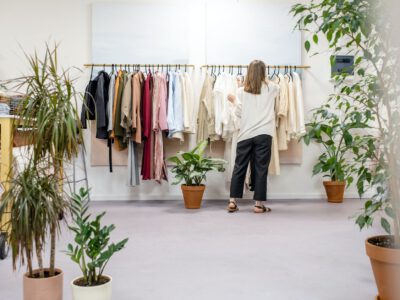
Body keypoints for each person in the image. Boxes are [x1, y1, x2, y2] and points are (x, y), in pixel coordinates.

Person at [227, 60, 279, 213]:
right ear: (264, 72)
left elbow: (239, 113)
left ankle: (232, 202)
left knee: (239, 167)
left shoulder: (240, 91)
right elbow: (274, 87)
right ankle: (258, 204)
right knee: (261, 169)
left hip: (245, 134)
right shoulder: (273, 88)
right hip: (264, 133)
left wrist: (234, 101)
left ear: (248, 72)